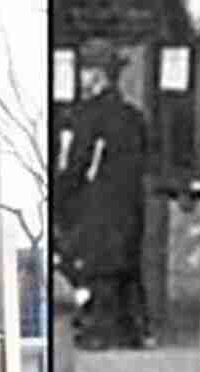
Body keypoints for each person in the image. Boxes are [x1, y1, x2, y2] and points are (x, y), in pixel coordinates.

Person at [56, 37, 150, 350]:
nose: (81, 78)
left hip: (94, 210)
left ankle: (99, 330)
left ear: (97, 75)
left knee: (95, 271)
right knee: (124, 269)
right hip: (129, 208)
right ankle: (131, 329)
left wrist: (60, 200)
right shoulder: (133, 118)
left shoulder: (85, 117)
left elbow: (75, 168)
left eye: (85, 71)